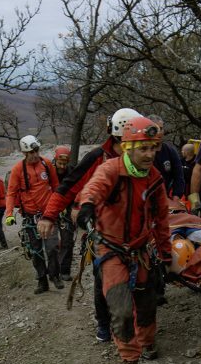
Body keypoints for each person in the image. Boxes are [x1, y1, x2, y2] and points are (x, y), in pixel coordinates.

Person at [74, 116, 173, 364]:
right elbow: (94, 188)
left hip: (140, 250)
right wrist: (87, 206)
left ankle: (148, 343)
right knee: (120, 308)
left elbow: (162, 220)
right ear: (128, 148)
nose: (150, 154)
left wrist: (165, 255)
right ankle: (130, 358)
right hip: (112, 249)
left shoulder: (154, 179)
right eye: (144, 148)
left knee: (146, 302)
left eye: (154, 147)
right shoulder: (111, 170)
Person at [40, 107, 141, 341]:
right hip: (102, 233)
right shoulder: (97, 158)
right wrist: (49, 215)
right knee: (102, 280)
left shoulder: (143, 157)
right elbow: (68, 188)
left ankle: (136, 326)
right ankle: (105, 324)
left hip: (136, 233)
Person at [4, 134, 60, 294]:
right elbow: (11, 193)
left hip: (48, 214)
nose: (36, 154)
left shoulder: (47, 164)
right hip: (30, 216)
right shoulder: (17, 170)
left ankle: (55, 275)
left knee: (52, 247)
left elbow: (56, 186)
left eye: (37, 150)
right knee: (36, 251)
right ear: (24, 153)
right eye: (32, 152)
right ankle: (42, 281)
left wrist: (59, 207)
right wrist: (9, 214)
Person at [43, 146, 76, 288]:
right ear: (55, 160)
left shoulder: (72, 172)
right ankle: (53, 273)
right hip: (51, 209)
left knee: (68, 241)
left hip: (67, 209)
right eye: (60, 163)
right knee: (53, 244)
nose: (62, 166)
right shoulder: (48, 172)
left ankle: (65, 270)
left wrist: (74, 208)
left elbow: (77, 190)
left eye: (65, 163)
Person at [147, 115, 188, 198]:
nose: (158, 132)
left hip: (164, 198)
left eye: (161, 129)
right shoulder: (141, 152)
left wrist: (176, 196)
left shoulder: (170, 151)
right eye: (155, 129)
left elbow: (179, 177)